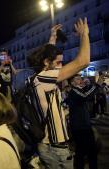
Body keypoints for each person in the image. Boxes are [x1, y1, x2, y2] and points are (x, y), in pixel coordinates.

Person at [27, 18, 90, 169]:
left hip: (48, 144)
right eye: (58, 63)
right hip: (54, 146)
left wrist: (53, 37)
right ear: (46, 63)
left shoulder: (35, 77)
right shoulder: (44, 78)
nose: (60, 67)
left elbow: (48, 56)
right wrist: (84, 35)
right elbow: (83, 61)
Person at [67, 74, 100, 169]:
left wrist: (90, 85)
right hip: (80, 127)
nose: (81, 80)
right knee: (83, 151)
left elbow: (88, 92)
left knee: (88, 150)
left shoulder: (79, 90)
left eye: (80, 78)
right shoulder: (74, 91)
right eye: (77, 79)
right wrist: (97, 84)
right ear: (72, 83)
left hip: (84, 125)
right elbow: (86, 96)